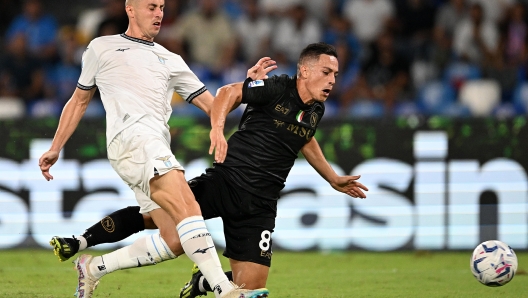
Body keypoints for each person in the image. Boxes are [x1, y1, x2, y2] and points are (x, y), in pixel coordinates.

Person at [48, 42, 369, 297]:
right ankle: (86, 247)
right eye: (327, 72)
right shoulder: (276, 89)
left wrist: (333, 178)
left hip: (260, 205)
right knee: (162, 223)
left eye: (336, 75)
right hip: (226, 182)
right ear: (304, 70)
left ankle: (203, 283)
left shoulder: (316, 109)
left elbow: (305, 139)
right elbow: (228, 92)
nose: (332, 80)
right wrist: (217, 129)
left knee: (253, 289)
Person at [38, 1, 271, 298]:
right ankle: (225, 290)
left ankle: (93, 268)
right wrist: (56, 147)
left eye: (161, 7)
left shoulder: (170, 59)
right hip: (133, 140)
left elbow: (213, 106)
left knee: (173, 239)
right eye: (151, 6)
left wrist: (247, 87)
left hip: (152, 146)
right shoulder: (101, 47)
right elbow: (79, 100)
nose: (159, 13)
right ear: (130, 8)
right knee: (189, 205)